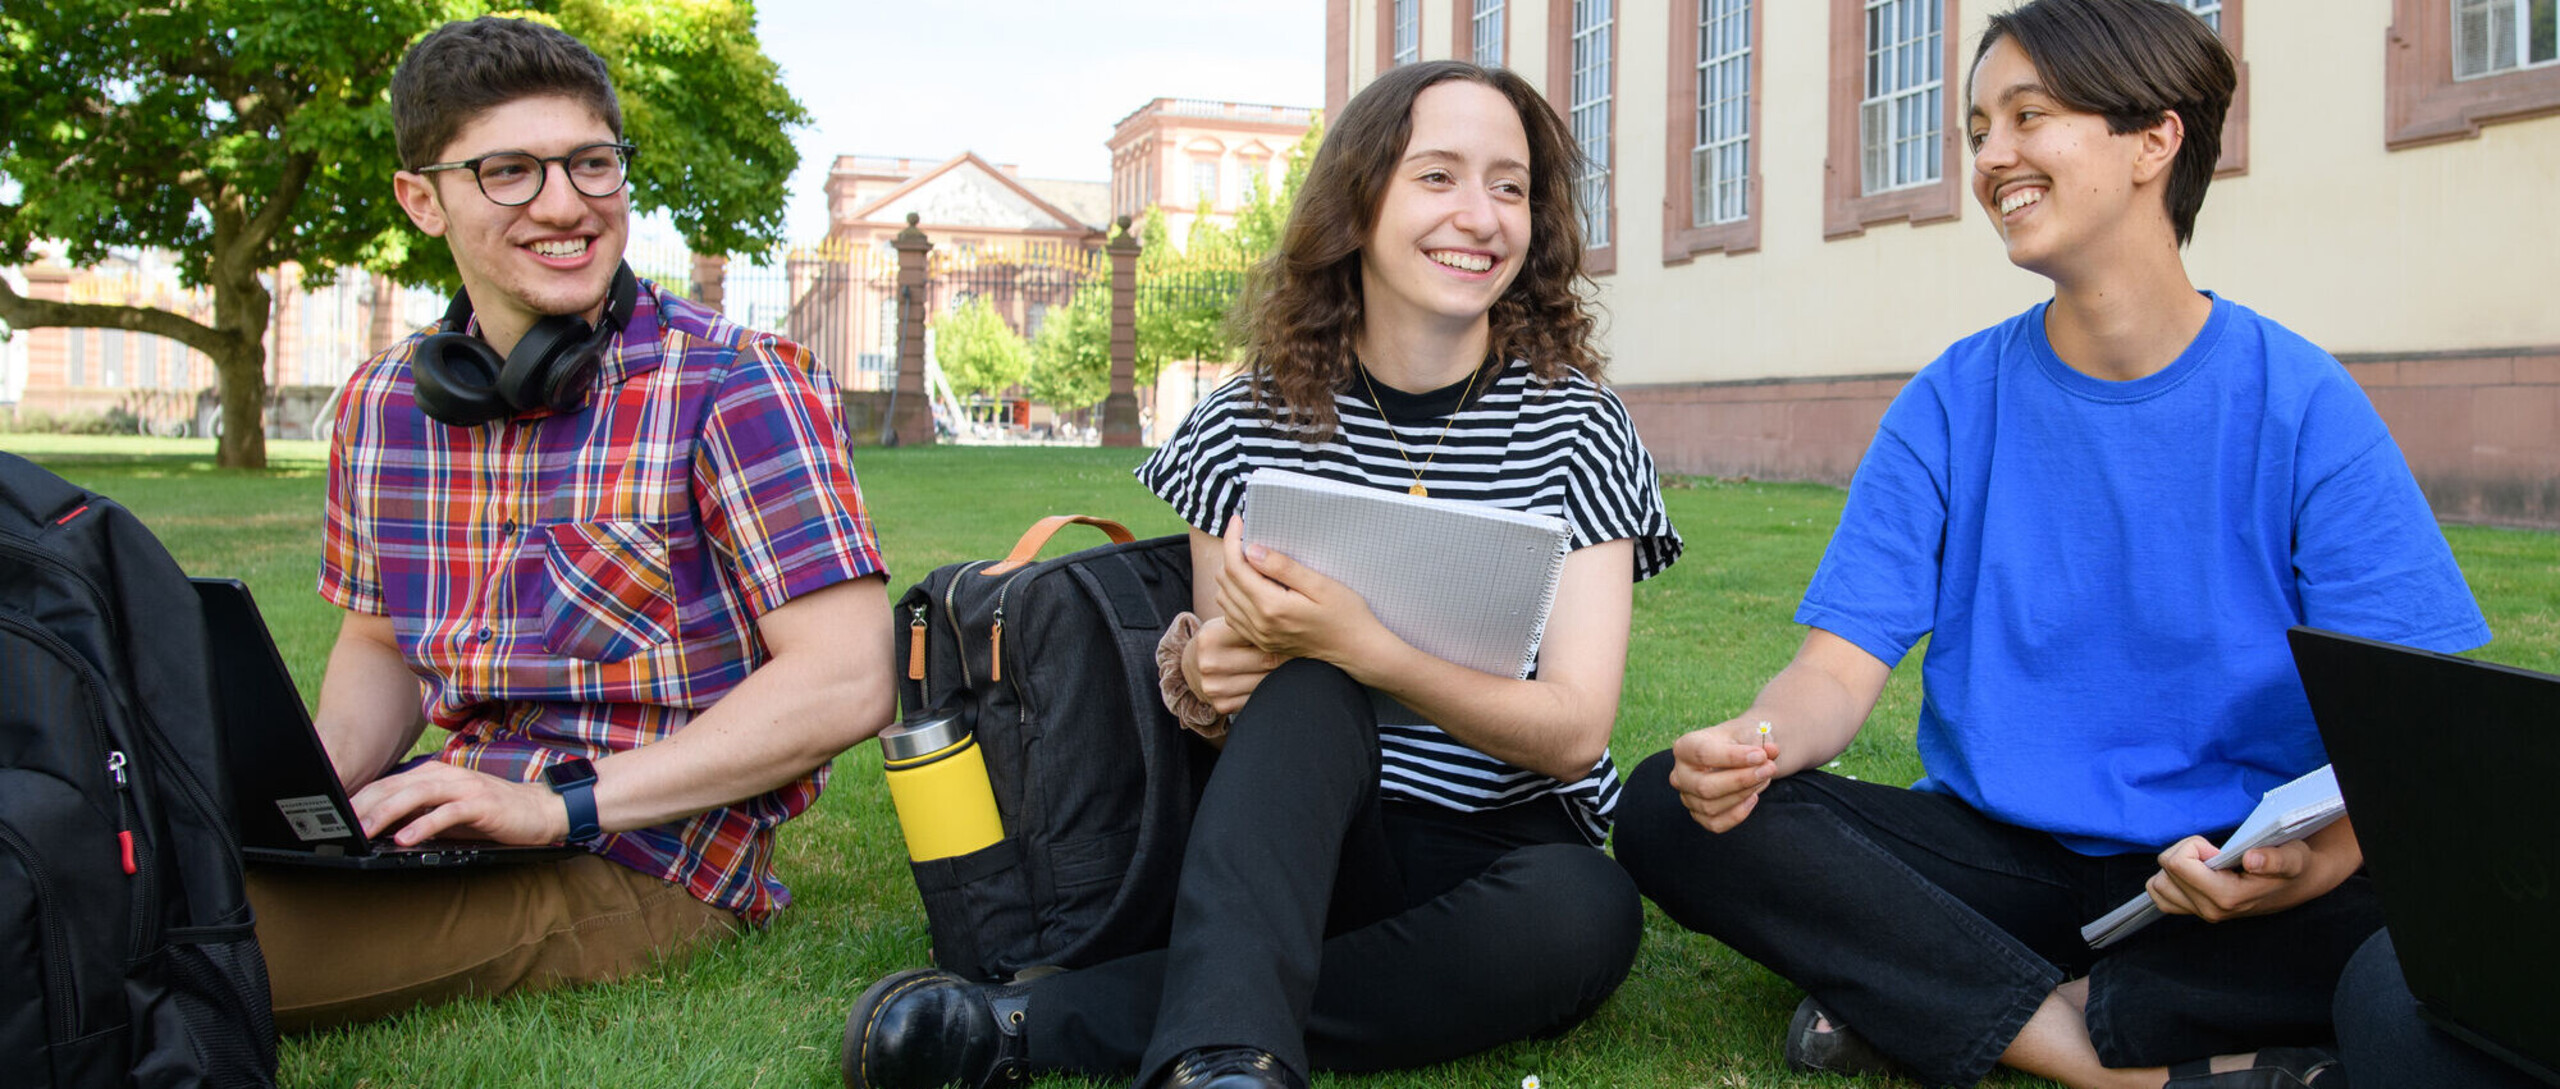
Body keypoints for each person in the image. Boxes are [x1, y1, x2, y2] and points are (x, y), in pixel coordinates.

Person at [1610, 2, 2490, 1088]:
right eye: (1979, 128)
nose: (1991, 157)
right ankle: (2113, 1057)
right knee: (1669, 808)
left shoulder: (2302, 403)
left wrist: (2305, 870)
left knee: (2433, 912)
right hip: (2000, 867)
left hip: (2230, 873)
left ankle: (1930, 995)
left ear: (2153, 140)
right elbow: (1831, 676)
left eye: (2029, 117)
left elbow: (2406, 739)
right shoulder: (1950, 401)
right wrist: (1752, 744)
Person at [838, 59, 1681, 1089]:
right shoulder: (1246, 423)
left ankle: (1027, 1024)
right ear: (1357, 203)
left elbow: (1576, 730)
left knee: (1588, 913)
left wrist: (1372, 648)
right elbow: (1233, 722)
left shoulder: (1581, 428)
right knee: (1310, 685)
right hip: (1304, 844)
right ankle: (1225, 1059)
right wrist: (1212, 677)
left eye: (1510, 187)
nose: (1480, 215)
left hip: (1504, 847)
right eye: (1438, 176)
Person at [249, 16, 894, 1030]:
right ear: (422, 199)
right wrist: (305, 802)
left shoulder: (737, 384)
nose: (565, 204)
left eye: (591, 163)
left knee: (218, 949)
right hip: (455, 810)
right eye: (508, 171)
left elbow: (847, 677)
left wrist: (557, 805)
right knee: (156, 883)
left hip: (647, 855)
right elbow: (381, 646)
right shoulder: (382, 405)